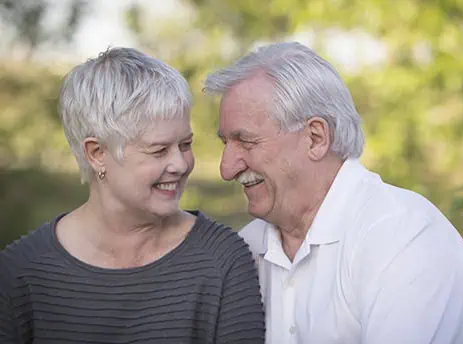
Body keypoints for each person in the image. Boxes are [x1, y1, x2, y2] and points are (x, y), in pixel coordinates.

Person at [203, 42, 463, 344]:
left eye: (246, 141)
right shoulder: (247, 248)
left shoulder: (404, 237)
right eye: (225, 143)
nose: (227, 169)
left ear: (315, 138)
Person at [0, 47, 265, 344]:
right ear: (97, 153)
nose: (180, 164)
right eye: (159, 150)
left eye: (186, 144)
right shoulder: (20, 274)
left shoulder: (223, 261)